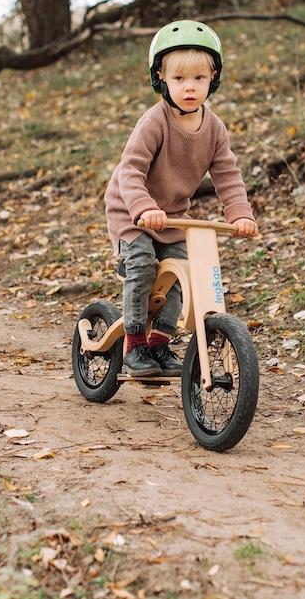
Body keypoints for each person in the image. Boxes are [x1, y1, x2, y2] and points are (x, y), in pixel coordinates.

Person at [104, 20, 258, 377]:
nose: (189, 88)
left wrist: (240, 213)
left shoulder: (214, 128)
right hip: (131, 210)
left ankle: (159, 342)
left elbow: (227, 174)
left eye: (198, 79)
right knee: (143, 263)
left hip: (172, 216)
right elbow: (130, 172)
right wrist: (144, 208)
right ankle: (134, 343)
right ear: (161, 78)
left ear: (213, 79)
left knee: (183, 274)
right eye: (179, 80)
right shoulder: (154, 122)